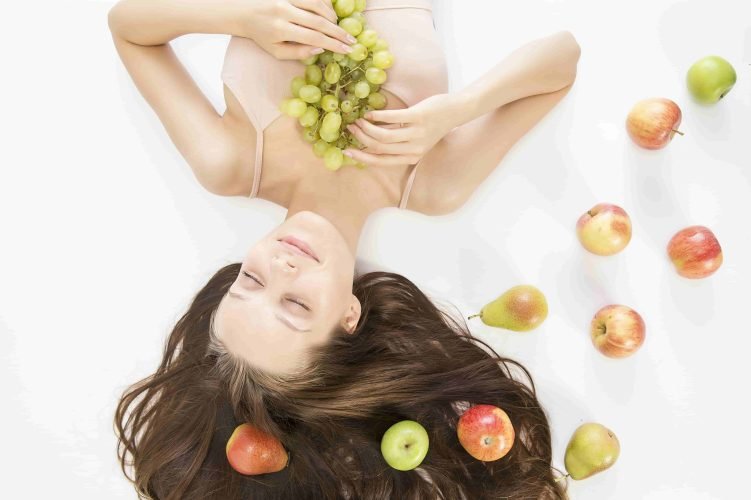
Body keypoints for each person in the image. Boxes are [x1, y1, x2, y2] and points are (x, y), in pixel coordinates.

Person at [108, 0, 581, 498]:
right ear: (350, 316)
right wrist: (459, 110)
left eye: (250, 282)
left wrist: (240, 17)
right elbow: (562, 58)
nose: (282, 267)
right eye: (295, 304)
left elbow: (128, 27)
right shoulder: (432, 185)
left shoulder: (229, 165)